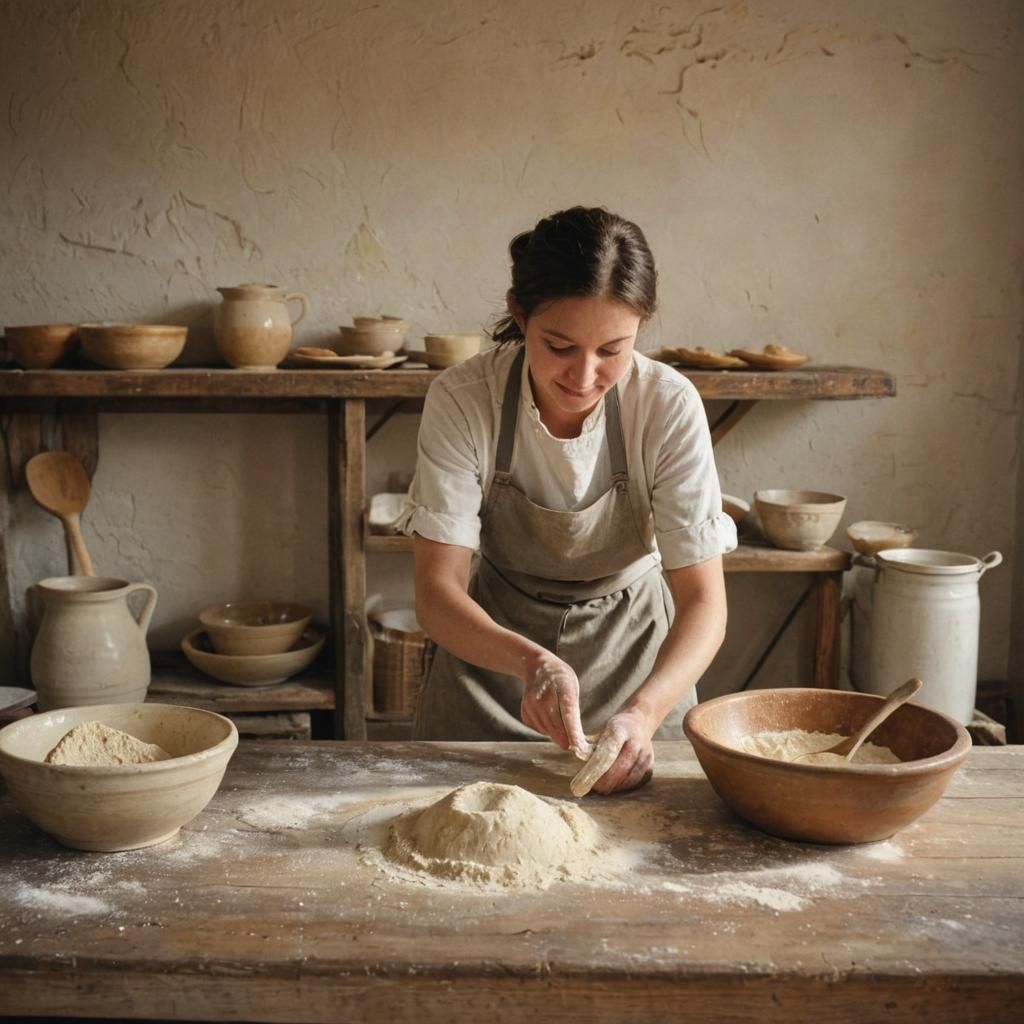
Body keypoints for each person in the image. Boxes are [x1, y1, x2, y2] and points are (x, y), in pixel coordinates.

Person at [398, 206, 736, 795]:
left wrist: (644, 714)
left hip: (635, 658)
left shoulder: (666, 405)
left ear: (641, 326)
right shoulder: (464, 399)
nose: (583, 376)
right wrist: (531, 663)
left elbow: (705, 601)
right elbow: (436, 592)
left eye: (612, 350)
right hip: (494, 659)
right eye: (559, 346)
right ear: (519, 314)